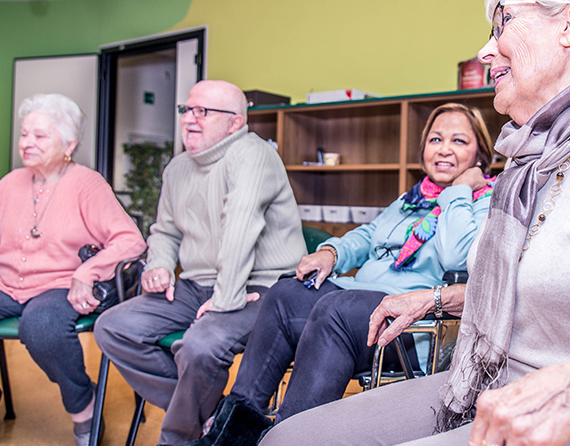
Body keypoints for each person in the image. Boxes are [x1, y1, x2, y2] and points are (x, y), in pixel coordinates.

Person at [257, 0, 570, 445]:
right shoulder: (529, 165)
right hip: (483, 385)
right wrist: (438, 297)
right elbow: (541, 284)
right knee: (286, 437)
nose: (484, 51)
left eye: (500, 22)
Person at [190, 102, 497, 446]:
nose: (443, 149)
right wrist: (331, 252)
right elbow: (368, 236)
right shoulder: (412, 199)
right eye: (436, 139)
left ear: (480, 154)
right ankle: (229, 436)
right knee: (285, 295)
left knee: (336, 307)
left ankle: (288, 439)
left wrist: (460, 190)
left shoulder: (486, 202)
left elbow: (458, 256)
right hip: (356, 304)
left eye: (458, 141)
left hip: (411, 324)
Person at [94, 80, 308, 445]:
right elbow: (165, 231)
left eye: (203, 112)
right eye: (187, 110)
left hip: (264, 287)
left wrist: (224, 302)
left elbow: (240, 229)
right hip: (196, 286)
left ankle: (177, 438)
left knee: (200, 346)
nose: (190, 119)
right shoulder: (177, 168)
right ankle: (213, 413)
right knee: (112, 327)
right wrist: (159, 264)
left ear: (235, 123)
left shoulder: (252, 155)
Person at [0, 93, 146, 446]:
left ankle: (84, 405)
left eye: (39, 136)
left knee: (43, 326)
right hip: (3, 283)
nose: (27, 143)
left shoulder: (87, 184)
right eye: (24, 134)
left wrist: (88, 271)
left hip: (60, 285)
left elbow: (130, 241)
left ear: (69, 144)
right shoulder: (9, 184)